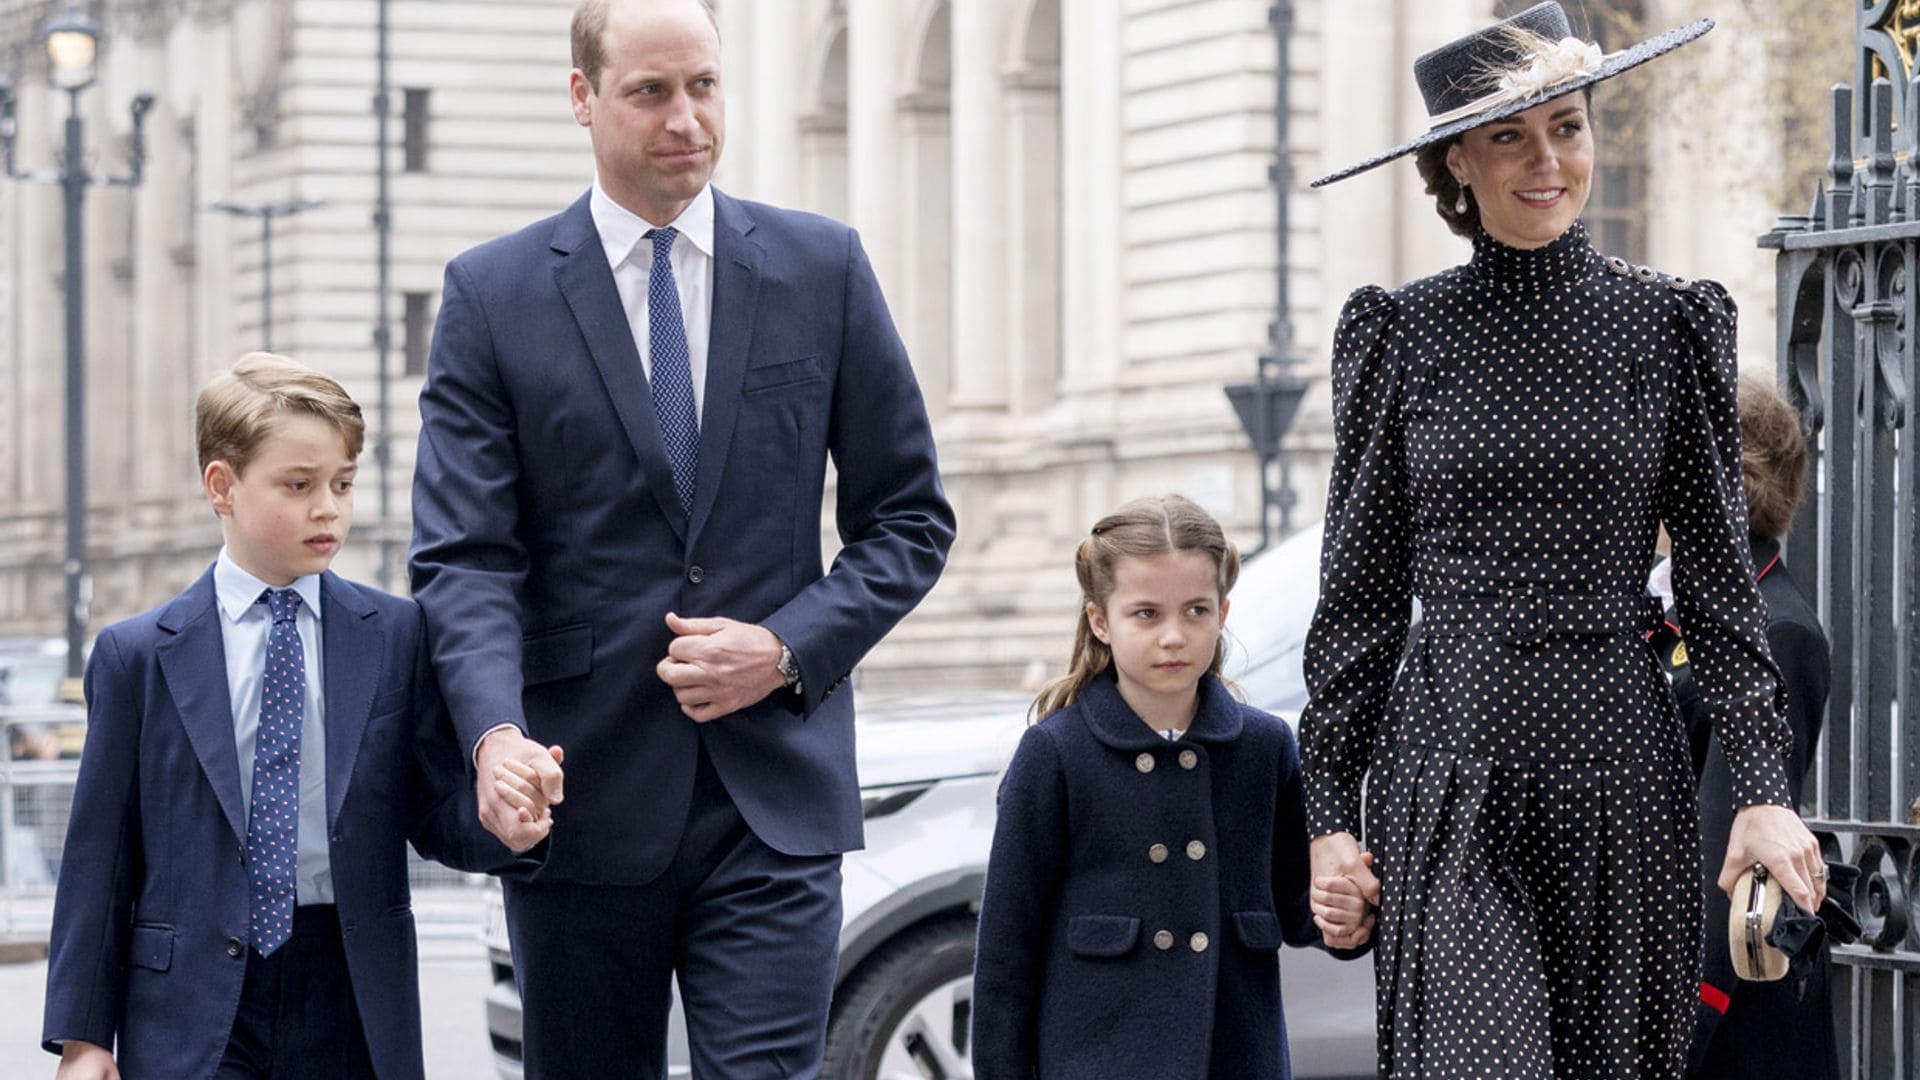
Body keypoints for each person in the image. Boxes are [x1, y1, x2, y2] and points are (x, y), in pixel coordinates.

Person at [407, 0, 956, 1074]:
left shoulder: (822, 267)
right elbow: (465, 554)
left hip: (774, 798)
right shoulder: (493, 294)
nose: (686, 119)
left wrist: (791, 646)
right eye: (651, 92)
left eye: (703, 86)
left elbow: (909, 518)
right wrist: (491, 734)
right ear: (583, 97)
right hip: (579, 792)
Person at [1300, 3, 1828, 1076]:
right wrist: (1328, 820)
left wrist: (1764, 795)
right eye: (1510, 136)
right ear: (1458, 160)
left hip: (1620, 778)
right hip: (1450, 770)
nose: (1548, 161)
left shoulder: (1671, 324)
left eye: (1570, 127)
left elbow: (1722, 587)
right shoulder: (1399, 334)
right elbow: (1354, 602)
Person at [42, 354, 535, 1080]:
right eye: (298, 486)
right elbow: (100, 860)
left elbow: (434, 813)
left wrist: (503, 822)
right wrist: (84, 1040)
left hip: (350, 989)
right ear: (223, 486)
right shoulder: (138, 656)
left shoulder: (395, 636)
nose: (328, 508)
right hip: (192, 1006)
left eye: (342, 483)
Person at [970, 495, 1361, 1079]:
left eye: (1196, 611)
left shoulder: (1265, 747)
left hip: (1237, 1059)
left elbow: (1298, 903)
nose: (1174, 636)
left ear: (1223, 614)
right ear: (1100, 620)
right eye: (1147, 614)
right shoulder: (1055, 755)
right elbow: (1005, 954)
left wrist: (1343, 915)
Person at [1650, 376, 1835, 1080]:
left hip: (1729, 1006)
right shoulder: (1679, 603)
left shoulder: (1778, 627)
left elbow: (1722, 848)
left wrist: (1676, 1030)